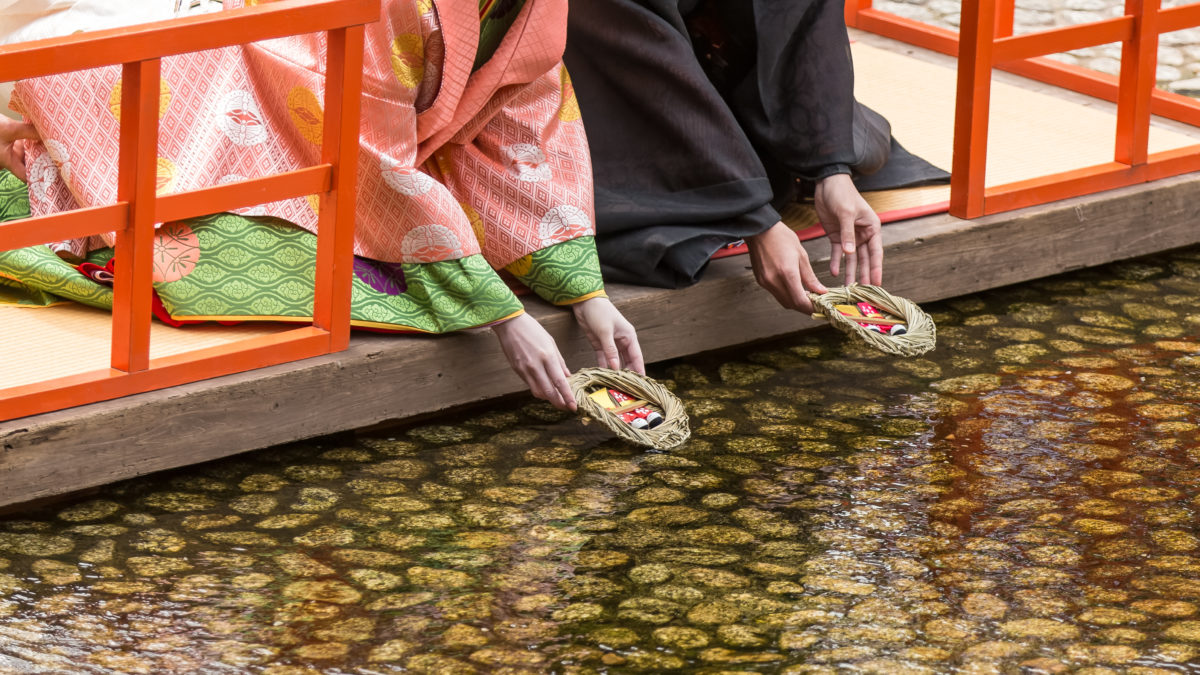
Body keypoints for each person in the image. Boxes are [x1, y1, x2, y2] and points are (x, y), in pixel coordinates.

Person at [0, 0, 643, 411]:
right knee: (196, 268)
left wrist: (585, 292)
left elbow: (523, 139)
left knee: (367, 275)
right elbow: (367, 147)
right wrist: (502, 315)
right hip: (245, 94)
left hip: (348, 142)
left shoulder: (537, 11)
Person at [563, 0, 948, 313]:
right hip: (615, 79)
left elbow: (804, 16)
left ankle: (770, 166)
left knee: (841, 143)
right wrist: (756, 220)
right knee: (653, 228)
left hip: (713, 56)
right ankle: (728, 182)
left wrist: (831, 167)